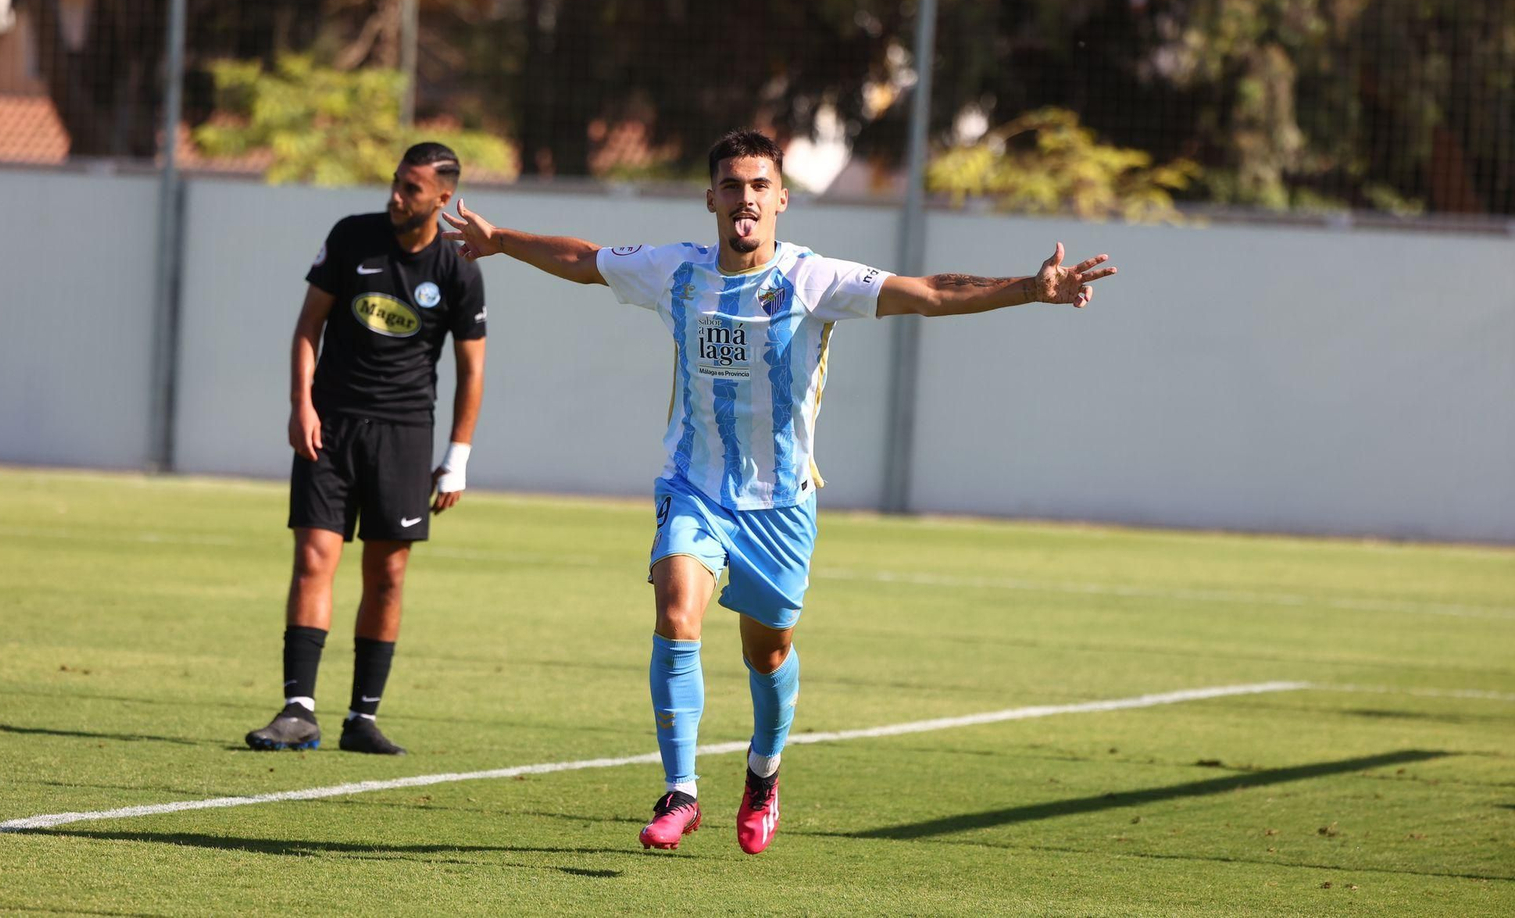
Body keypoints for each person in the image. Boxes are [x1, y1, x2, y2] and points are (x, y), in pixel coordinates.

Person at [440, 129, 1116, 853]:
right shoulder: (677, 271)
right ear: (710, 198)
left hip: (781, 504)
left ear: (782, 199)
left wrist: (1027, 289)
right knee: (676, 608)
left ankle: (763, 773)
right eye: (732, 185)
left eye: (760, 186)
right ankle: (681, 791)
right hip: (694, 486)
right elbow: (586, 259)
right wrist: (502, 239)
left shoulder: (814, 279)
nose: (746, 199)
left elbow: (928, 293)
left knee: (767, 653)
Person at [246, 141, 488, 756]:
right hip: (330, 427)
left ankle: (362, 718)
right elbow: (309, 328)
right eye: (396, 183)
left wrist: (457, 456)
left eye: (411, 188)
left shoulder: (457, 268)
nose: (397, 195)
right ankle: (298, 710)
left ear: (441, 197)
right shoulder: (352, 236)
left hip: (405, 434)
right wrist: (301, 404)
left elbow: (472, 370)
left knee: (387, 574)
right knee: (314, 557)